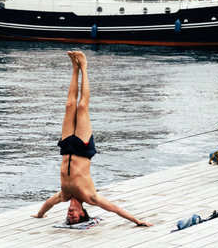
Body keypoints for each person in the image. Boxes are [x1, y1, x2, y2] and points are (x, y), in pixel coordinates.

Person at [32, 51, 152, 227]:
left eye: (69, 218)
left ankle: (74, 68)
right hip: (82, 148)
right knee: (82, 106)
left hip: (66, 149)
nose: (70, 216)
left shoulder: (63, 196)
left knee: (69, 105)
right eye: (75, 218)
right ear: (83, 213)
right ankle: (84, 67)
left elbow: (48, 204)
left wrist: (39, 215)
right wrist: (137, 220)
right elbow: (114, 209)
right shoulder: (90, 196)